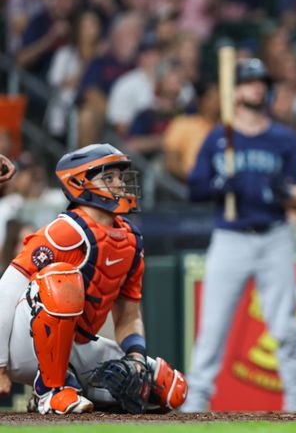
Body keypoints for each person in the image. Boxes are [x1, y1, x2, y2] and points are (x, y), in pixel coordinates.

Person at [0, 144, 187, 414]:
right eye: (108, 178)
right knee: (62, 280)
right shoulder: (65, 230)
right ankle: (50, 391)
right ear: (80, 184)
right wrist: (1, 366)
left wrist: (135, 357)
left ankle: (74, 386)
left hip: (77, 344)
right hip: (24, 343)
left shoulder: (131, 240)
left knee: (167, 387)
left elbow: (128, 313)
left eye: (120, 177)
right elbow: (6, 290)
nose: (120, 184)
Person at [183, 58, 296, 413]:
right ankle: (196, 400)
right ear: (234, 91)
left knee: (284, 325)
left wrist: (291, 192)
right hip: (231, 237)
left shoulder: (283, 137)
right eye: (249, 81)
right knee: (213, 326)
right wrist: (219, 185)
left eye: (260, 81)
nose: (257, 87)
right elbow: (193, 189)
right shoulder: (219, 136)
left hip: (274, 235)